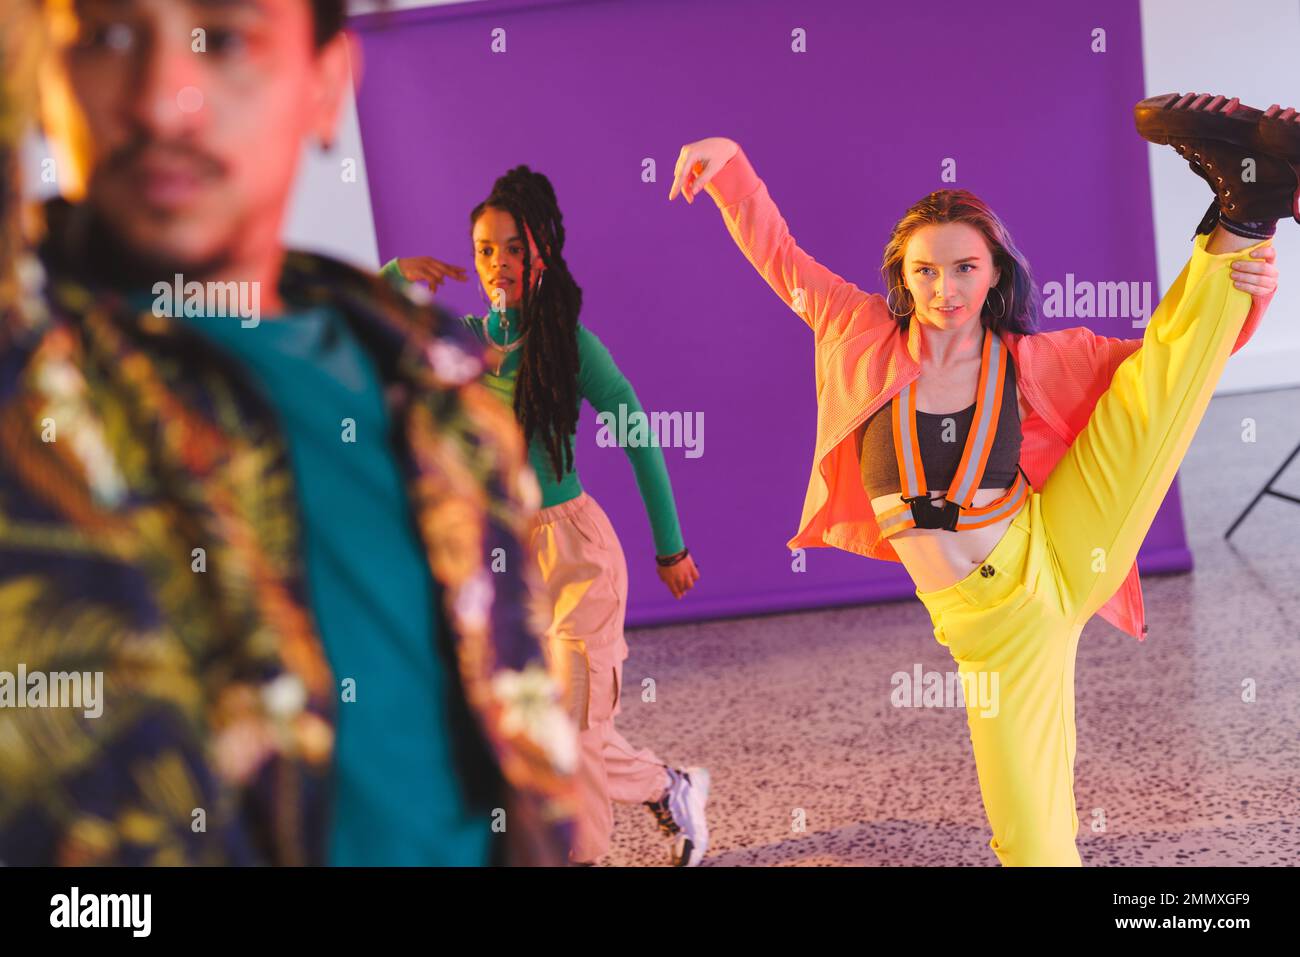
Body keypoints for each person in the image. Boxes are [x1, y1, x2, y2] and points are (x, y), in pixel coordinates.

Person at [0, 0, 574, 865]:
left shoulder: (435, 383)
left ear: (325, 85)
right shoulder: (29, 360)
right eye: (108, 37)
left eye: (224, 40)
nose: (162, 101)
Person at [668, 89, 1292, 865]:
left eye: (965, 267)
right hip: (998, 636)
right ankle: (1250, 204)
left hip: (1060, 543)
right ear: (903, 274)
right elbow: (782, 260)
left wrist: (1248, 296)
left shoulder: (1031, 358)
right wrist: (731, 168)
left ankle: (1246, 209)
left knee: (1150, 389)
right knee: (1032, 841)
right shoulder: (857, 332)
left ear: (995, 272)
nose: (945, 289)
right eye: (926, 271)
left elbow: (1172, 365)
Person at [383, 164, 711, 866]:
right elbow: (373, 335)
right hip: (496, 558)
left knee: (575, 727)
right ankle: (668, 786)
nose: (497, 262)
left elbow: (638, 435)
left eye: (512, 246)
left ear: (543, 253)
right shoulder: (461, 343)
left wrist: (670, 546)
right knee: (538, 724)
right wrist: (391, 276)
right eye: (483, 249)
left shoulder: (569, 346)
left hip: (576, 557)